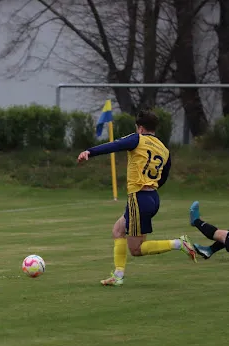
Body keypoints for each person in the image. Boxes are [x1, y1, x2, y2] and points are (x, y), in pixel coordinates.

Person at [77, 109, 197, 286]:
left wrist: (90, 151)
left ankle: (179, 244)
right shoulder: (164, 150)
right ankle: (118, 276)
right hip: (152, 197)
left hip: (139, 198)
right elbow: (163, 176)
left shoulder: (137, 139)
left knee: (137, 249)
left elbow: (114, 145)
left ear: (139, 128)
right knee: (118, 230)